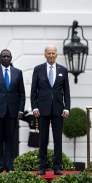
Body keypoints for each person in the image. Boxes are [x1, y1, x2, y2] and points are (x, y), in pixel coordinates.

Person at [31, 45, 71, 175]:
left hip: (58, 110)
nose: (51, 55)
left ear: (57, 54)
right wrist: (35, 107)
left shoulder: (63, 70)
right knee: (43, 139)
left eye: (53, 53)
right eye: (49, 53)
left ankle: (57, 167)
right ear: (45, 54)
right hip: (42, 110)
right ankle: (42, 167)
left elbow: (67, 92)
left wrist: (67, 108)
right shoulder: (38, 69)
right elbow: (33, 91)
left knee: (57, 139)